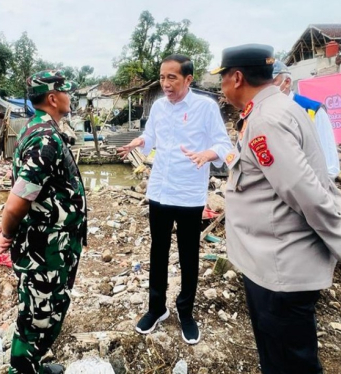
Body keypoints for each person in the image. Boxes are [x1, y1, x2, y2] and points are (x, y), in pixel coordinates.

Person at [211, 44, 341, 373]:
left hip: (281, 267)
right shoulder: (274, 108)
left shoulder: (267, 121)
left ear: (237, 77)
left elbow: (303, 190)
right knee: (280, 355)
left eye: (222, 80)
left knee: (289, 361)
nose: (221, 88)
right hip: (272, 260)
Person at [118, 54, 232, 345]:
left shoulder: (205, 107)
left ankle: (186, 312)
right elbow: (151, 136)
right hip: (159, 191)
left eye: (172, 78)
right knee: (158, 252)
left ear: (188, 79)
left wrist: (207, 154)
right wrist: (140, 141)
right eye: (162, 77)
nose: (166, 84)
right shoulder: (158, 106)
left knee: (188, 255)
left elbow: (224, 145)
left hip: (189, 194)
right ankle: (156, 308)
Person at [0, 70, 86, 374]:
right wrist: (6, 232)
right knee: (37, 315)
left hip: (53, 245)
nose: (71, 97)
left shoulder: (38, 130)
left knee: (46, 309)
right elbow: (18, 202)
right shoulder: (44, 139)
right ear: (53, 98)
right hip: (45, 249)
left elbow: (26, 188)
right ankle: (21, 367)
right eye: (67, 92)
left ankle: (31, 363)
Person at [272, 60, 341, 179]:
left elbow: (328, 155)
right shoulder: (264, 113)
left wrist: (325, 185)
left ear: (287, 82)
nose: (267, 88)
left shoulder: (312, 110)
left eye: (272, 82)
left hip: (310, 182)